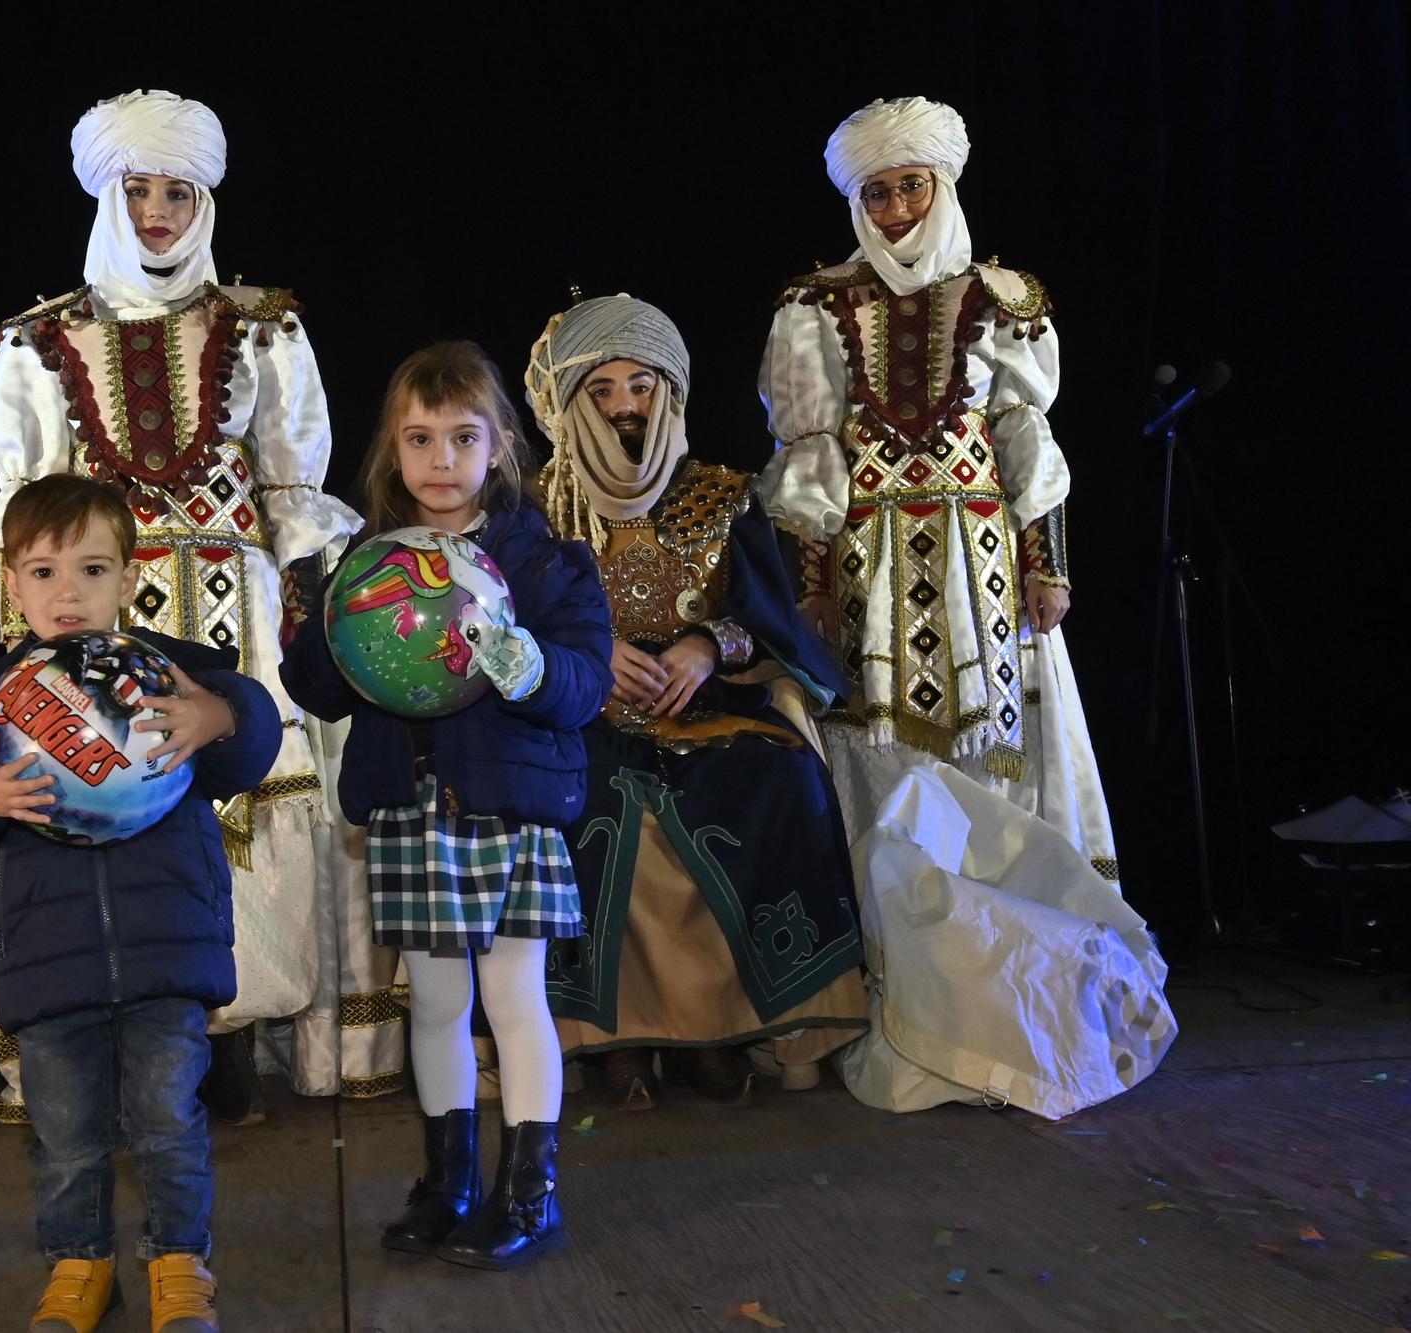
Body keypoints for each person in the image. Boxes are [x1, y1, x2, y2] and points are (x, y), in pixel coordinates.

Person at [0, 90, 393, 1125]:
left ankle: (229, 1028)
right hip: (93, 613)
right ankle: (95, 1034)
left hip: (236, 604)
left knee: (248, 803)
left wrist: (299, 607)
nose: (155, 211)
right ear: (107, 196)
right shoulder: (36, 342)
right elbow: (29, 513)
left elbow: (291, 485)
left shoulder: (264, 327)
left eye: (176, 191)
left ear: (204, 199)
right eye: (136, 190)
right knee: (100, 795)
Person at [0, 474, 278, 1333]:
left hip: (164, 951)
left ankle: (181, 1265)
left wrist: (219, 715)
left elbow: (251, 731)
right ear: (11, 583)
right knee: (65, 1138)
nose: (66, 590)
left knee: (168, 1124)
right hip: (49, 964)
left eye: (92, 568)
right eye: (41, 571)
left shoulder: (172, 673)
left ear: (129, 577)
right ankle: (80, 1264)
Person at [281, 342, 613, 1271]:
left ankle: (529, 1190)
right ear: (392, 451)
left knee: (514, 997)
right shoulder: (364, 557)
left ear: (501, 446)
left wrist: (532, 666)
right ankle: (447, 1181)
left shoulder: (546, 562)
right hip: (410, 811)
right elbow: (321, 687)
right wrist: (319, 618)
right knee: (432, 1000)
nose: (439, 459)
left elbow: (584, 683)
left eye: (462, 437)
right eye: (418, 438)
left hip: (509, 809)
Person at [756, 95, 1118, 877]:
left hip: (979, 558)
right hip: (867, 566)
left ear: (942, 187)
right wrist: (808, 582)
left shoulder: (1004, 296)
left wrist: (1044, 563)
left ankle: (1002, 923)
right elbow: (807, 454)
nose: (895, 209)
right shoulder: (816, 303)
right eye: (876, 193)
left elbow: (1023, 437)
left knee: (997, 736)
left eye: (911, 186)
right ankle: (905, 931)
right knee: (874, 741)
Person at [521, 295, 867, 1106]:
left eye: (640, 385)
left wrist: (707, 645)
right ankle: (611, 1042)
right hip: (579, 715)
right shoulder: (535, 508)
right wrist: (588, 657)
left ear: (669, 392)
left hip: (707, 710)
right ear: (572, 400)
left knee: (779, 784)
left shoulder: (723, 495)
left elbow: (771, 619)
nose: (623, 406)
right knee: (589, 798)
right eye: (601, 389)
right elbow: (504, 623)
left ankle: (728, 1029)